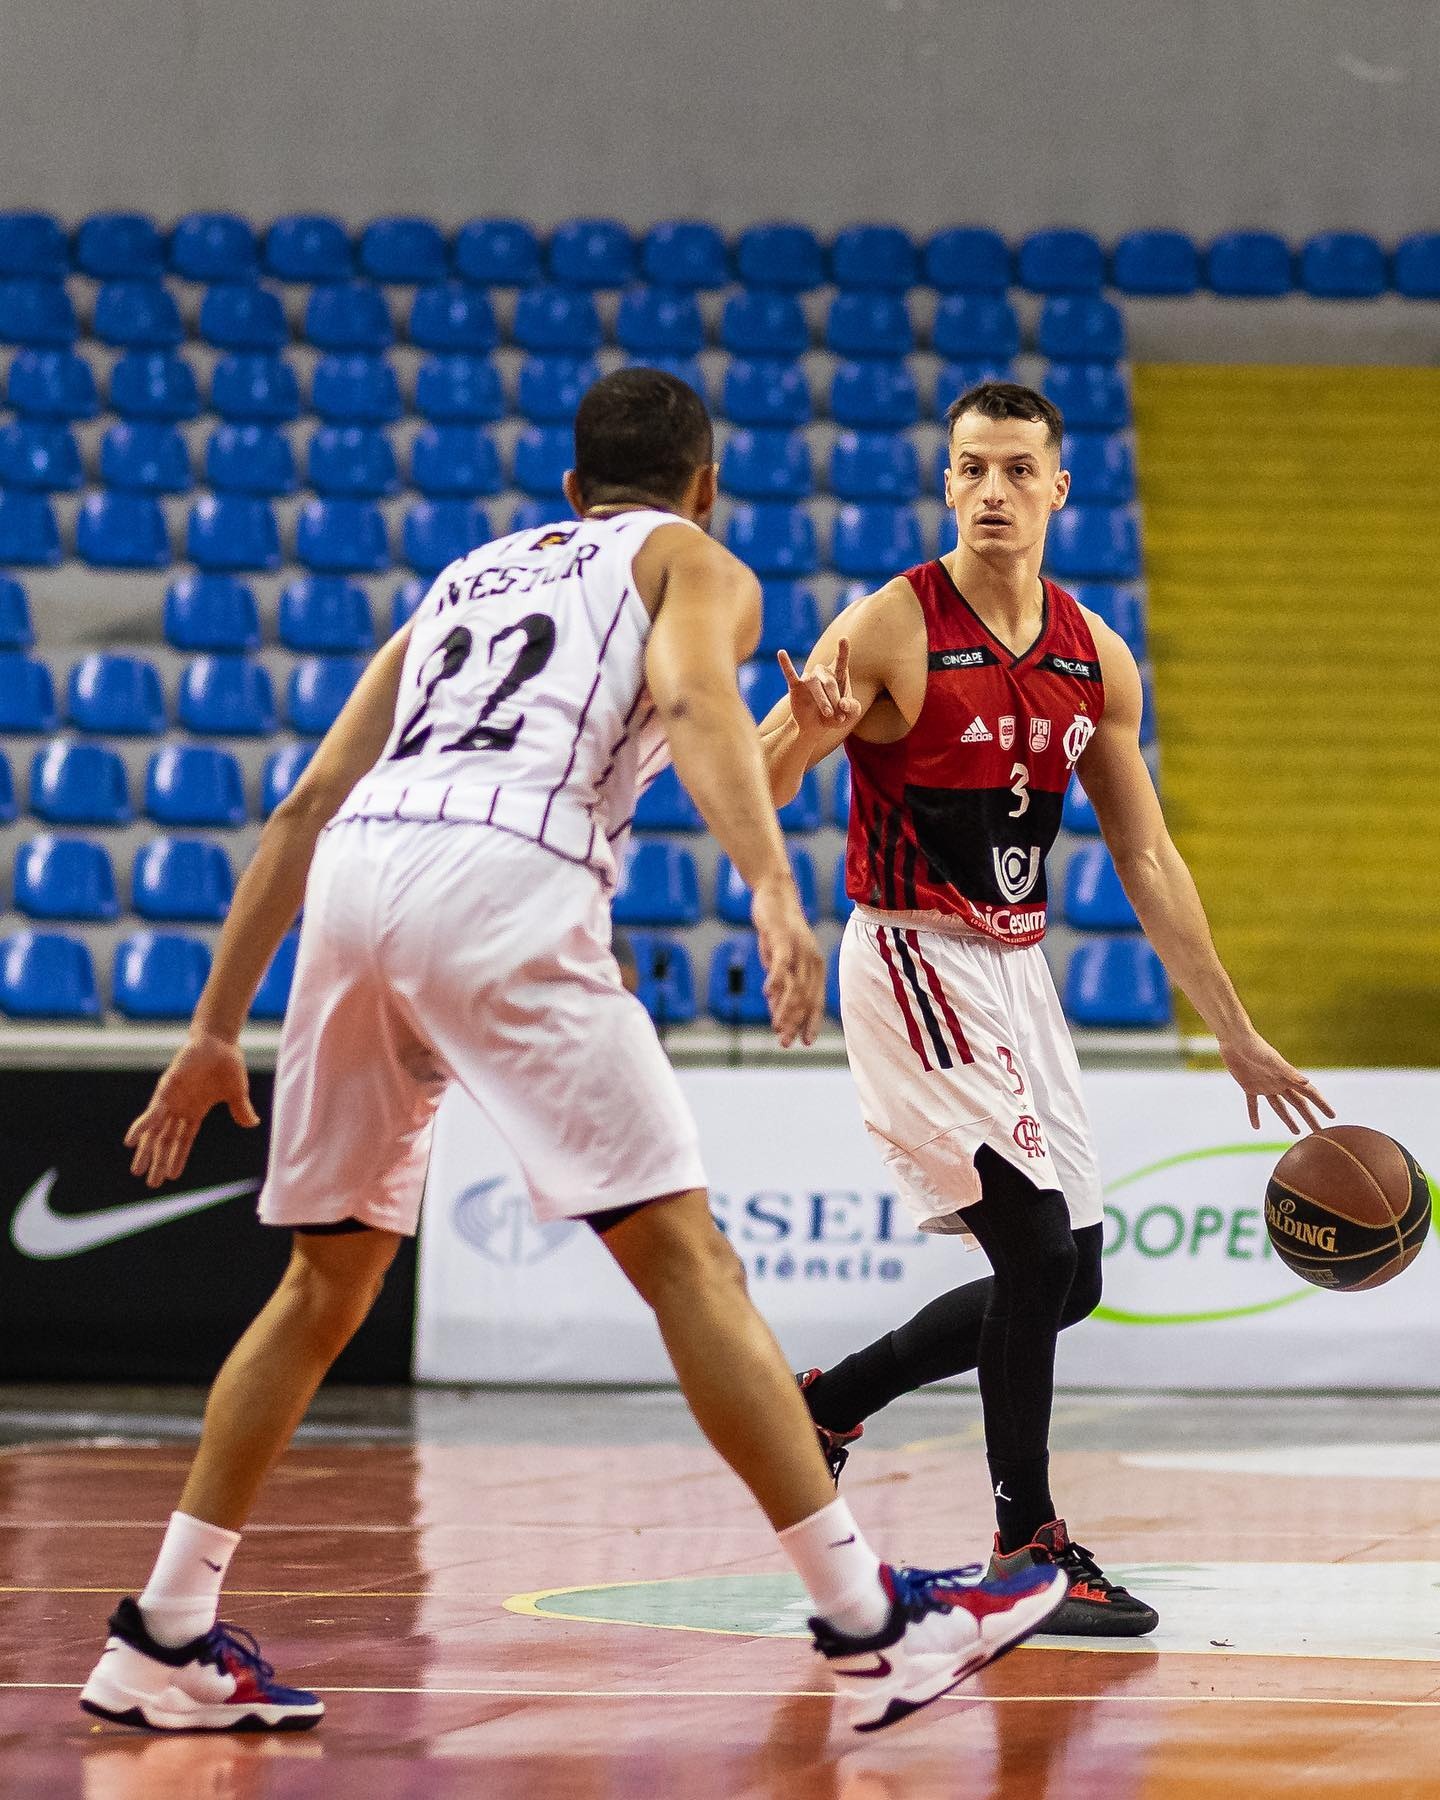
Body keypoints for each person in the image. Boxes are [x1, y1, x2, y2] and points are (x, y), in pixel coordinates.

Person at [78, 369, 1066, 1738]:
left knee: (321, 1284)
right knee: (687, 1260)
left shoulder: (464, 583)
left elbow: (310, 800)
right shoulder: (693, 561)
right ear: (704, 486)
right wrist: (772, 890)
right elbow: (699, 702)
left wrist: (209, 1028)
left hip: (358, 892)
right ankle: (868, 1621)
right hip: (504, 875)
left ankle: (160, 1631)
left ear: (567, 491)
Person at [759, 380, 1332, 1636]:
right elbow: (752, 773)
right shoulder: (894, 624)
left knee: (1068, 1280)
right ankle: (1028, 1550)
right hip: (913, 954)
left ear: (1060, 488)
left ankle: (829, 1401)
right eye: (972, 470)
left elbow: (1148, 857)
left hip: (1017, 972)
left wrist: (1231, 1025)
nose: (994, 492)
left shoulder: (1092, 652)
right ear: (946, 483)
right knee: (1031, 1252)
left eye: (1020, 470)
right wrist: (803, 741)